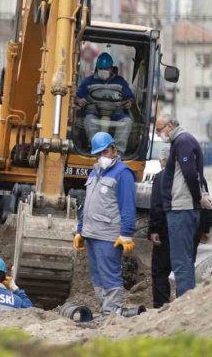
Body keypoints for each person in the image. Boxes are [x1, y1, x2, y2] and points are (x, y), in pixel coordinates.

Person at [74, 132, 137, 316]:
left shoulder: (123, 174)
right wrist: (80, 230)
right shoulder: (95, 172)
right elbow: (87, 204)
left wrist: (126, 233)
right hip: (91, 234)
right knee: (97, 277)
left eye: (106, 152)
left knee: (110, 275)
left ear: (114, 150)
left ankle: (112, 313)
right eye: (98, 154)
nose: (103, 157)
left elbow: (128, 206)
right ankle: (105, 310)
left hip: (108, 236)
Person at [155, 115, 212, 298]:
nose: (158, 134)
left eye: (159, 130)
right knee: (185, 259)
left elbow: (190, 173)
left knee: (180, 261)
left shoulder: (183, 141)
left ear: (170, 126)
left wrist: (197, 198)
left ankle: (185, 302)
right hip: (183, 206)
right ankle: (189, 299)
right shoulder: (181, 141)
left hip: (181, 207)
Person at [77, 52, 136, 152]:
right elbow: (78, 96)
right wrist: (79, 100)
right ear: (97, 68)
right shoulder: (88, 81)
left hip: (116, 113)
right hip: (95, 112)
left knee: (127, 121)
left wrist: (130, 102)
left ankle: (118, 151)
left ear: (112, 69)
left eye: (106, 69)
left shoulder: (120, 81)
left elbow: (130, 97)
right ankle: (95, 148)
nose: (103, 71)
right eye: (101, 69)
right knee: (89, 119)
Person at [147, 151, 171, 309]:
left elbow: (156, 205)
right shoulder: (194, 176)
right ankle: (187, 299)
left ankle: (161, 304)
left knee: (160, 269)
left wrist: (153, 229)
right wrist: (204, 228)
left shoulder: (161, 177)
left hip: (164, 228)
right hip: (186, 228)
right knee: (184, 266)